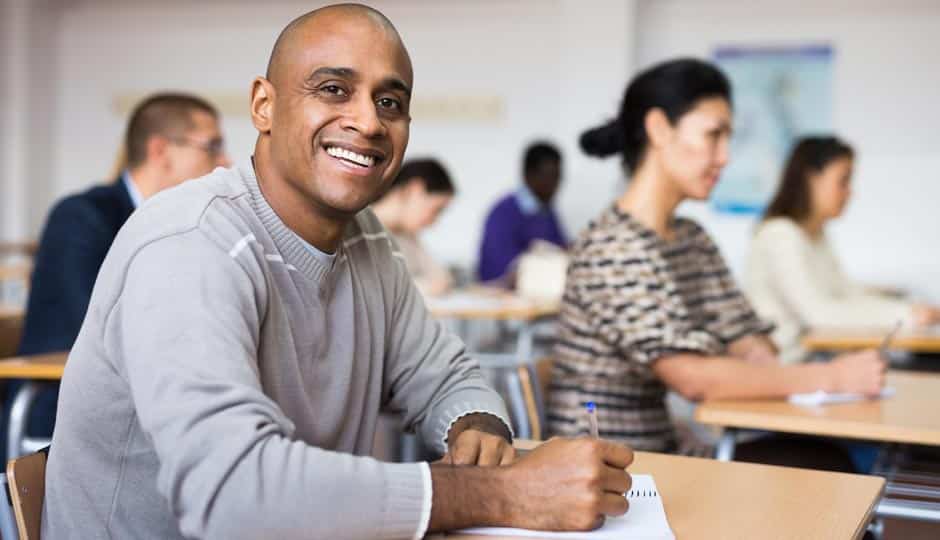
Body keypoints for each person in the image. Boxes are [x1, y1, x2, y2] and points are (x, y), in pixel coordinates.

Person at [43, 5, 633, 539]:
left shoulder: (367, 242)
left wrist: (473, 422)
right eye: (333, 88)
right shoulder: (190, 241)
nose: (370, 123)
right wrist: (497, 494)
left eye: (390, 102)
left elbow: (445, 375)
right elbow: (231, 497)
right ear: (263, 106)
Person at [547, 58, 885, 462]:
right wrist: (833, 377)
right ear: (658, 129)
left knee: (823, 457)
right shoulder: (613, 247)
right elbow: (692, 378)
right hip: (610, 471)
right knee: (826, 462)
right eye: (714, 135)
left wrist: (752, 360)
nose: (725, 156)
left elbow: (749, 339)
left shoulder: (691, 239)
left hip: (669, 449)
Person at [1, 93, 229, 462]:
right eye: (212, 145)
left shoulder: (181, 224)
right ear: (161, 151)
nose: (225, 160)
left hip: (142, 400)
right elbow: (103, 328)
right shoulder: (81, 216)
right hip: (58, 407)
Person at [746, 136, 940, 363]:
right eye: (843, 181)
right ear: (812, 179)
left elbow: (844, 292)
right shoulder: (779, 234)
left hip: (816, 358)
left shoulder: (815, 234)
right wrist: (907, 315)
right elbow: (820, 314)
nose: (849, 192)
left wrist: (907, 308)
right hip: (791, 364)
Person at [477, 141, 567, 282]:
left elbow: (560, 252)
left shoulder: (547, 212)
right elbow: (499, 269)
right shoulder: (504, 213)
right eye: (549, 176)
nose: (555, 184)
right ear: (528, 175)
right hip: (501, 297)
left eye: (558, 176)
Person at [371, 158, 455, 296]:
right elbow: (379, 289)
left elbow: (442, 280)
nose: (434, 221)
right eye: (436, 210)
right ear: (414, 190)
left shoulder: (407, 236)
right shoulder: (358, 229)